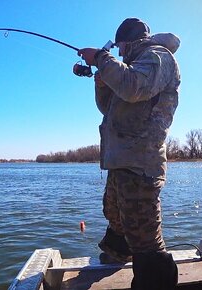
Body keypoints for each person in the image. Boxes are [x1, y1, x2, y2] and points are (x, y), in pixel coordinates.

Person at [77, 18, 181, 290]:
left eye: (120, 47)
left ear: (129, 41)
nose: (119, 53)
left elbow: (134, 88)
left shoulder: (158, 57)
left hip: (141, 162)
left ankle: (156, 281)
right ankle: (118, 254)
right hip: (121, 158)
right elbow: (108, 108)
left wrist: (101, 58)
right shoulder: (130, 66)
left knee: (145, 237)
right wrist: (101, 82)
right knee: (114, 212)